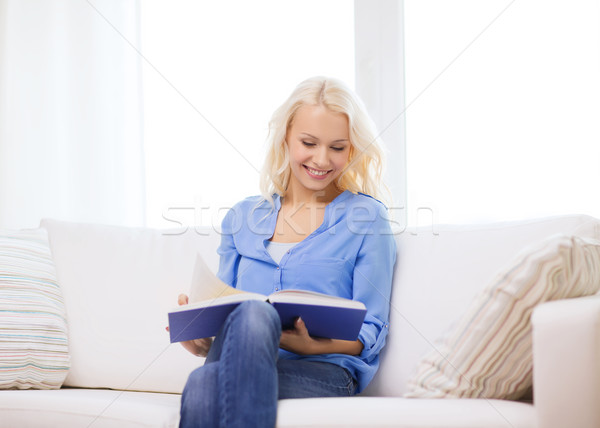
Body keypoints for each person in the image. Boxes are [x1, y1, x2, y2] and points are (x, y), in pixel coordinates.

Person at [177, 76, 396, 428]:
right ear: (286, 138)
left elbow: (371, 328)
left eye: (337, 148)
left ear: (352, 150)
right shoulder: (242, 217)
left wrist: (312, 347)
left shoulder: (367, 218)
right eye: (309, 143)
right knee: (221, 355)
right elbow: (223, 315)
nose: (322, 159)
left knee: (208, 379)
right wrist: (200, 337)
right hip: (235, 359)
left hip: (322, 371)